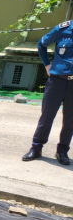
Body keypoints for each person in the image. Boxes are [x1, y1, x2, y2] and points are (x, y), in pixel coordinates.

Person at [22, 20, 73, 166]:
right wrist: (47, 65)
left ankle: (62, 151)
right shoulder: (63, 29)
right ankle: (36, 148)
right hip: (57, 82)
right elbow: (41, 44)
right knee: (46, 117)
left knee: (70, 121)